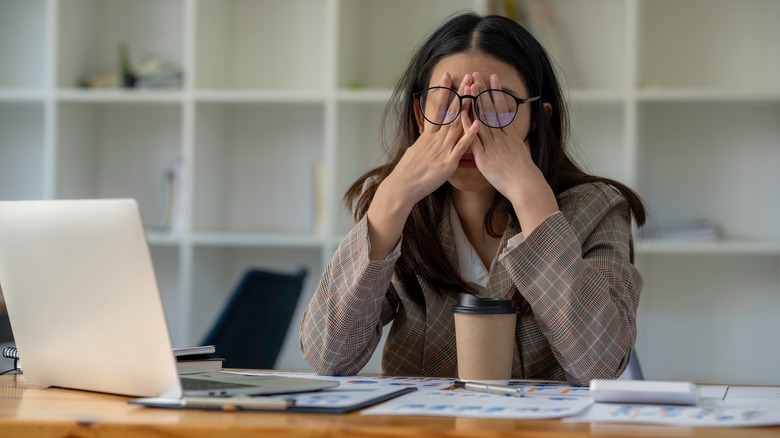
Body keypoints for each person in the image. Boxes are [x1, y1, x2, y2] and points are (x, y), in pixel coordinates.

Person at [299, 12, 646, 385]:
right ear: (419, 116)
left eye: (495, 104)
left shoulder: (598, 208)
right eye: (446, 102)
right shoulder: (395, 206)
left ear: (538, 119)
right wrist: (392, 199)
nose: (468, 126)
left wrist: (533, 201)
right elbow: (328, 357)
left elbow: (600, 366)